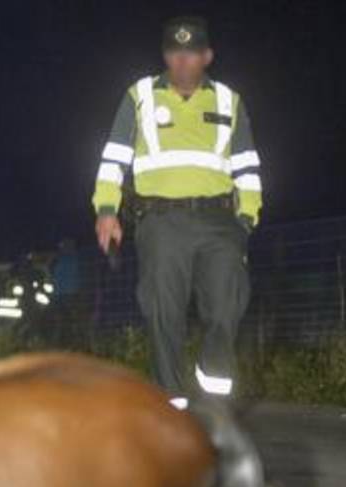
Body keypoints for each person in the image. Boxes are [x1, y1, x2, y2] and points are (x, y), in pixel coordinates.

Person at [91, 16, 263, 406]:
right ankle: (173, 403)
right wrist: (106, 209)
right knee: (162, 310)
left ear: (207, 56)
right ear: (166, 56)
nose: (182, 62)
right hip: (161, 221)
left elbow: (248, 166)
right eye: (174, 53)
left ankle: (213, 376)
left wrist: (246, 220)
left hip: (220, 222)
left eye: (191, 54)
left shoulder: (228, 100)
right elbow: (113, 158)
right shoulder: (139, 96)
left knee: (229, 300)